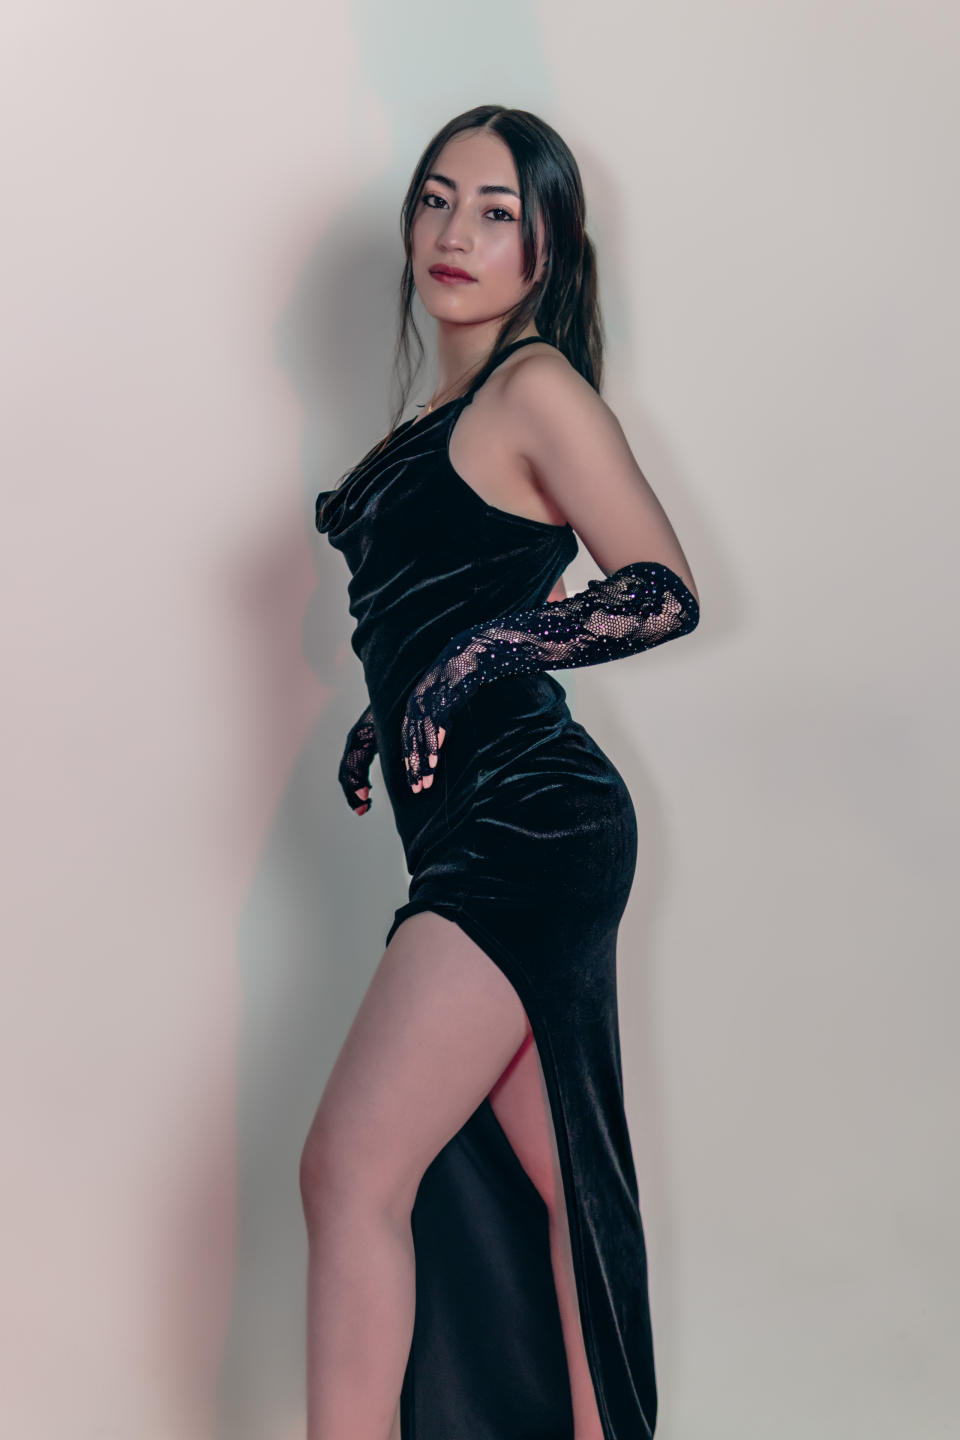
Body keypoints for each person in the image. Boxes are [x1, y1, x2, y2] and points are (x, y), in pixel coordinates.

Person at [307, 104, 701, 1440]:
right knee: (555, 1194)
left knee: (350, 1169)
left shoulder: (535, 389)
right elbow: (436, 596)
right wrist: (392, 710)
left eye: (495, 210)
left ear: (548, 246)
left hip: (531, 822)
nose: (455, 231)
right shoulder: (445, 410)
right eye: (435, 198)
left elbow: (658, 588)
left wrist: (473, 659)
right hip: (476, 818)